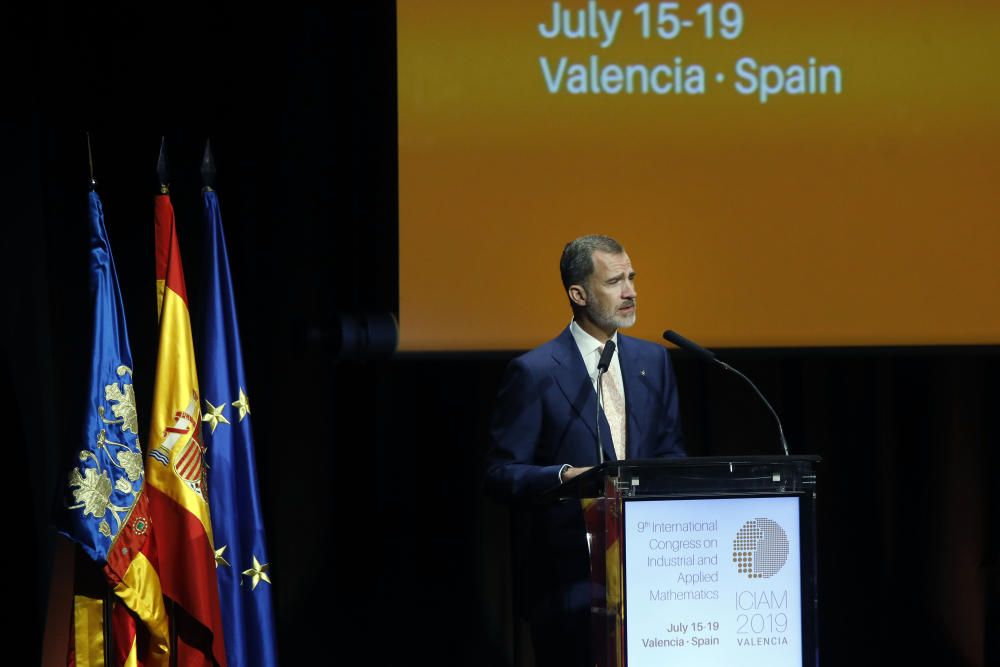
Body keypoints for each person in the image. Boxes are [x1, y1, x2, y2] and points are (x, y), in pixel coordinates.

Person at [485, 234, 685, 667]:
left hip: (650, 578)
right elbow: (501, 473)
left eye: (631, 278)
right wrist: (563, 477)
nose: (630, 291)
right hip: (569, 582)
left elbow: (670, 455)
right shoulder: (534, 372)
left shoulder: (654, 361)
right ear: (578, 294)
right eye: (614, 281)